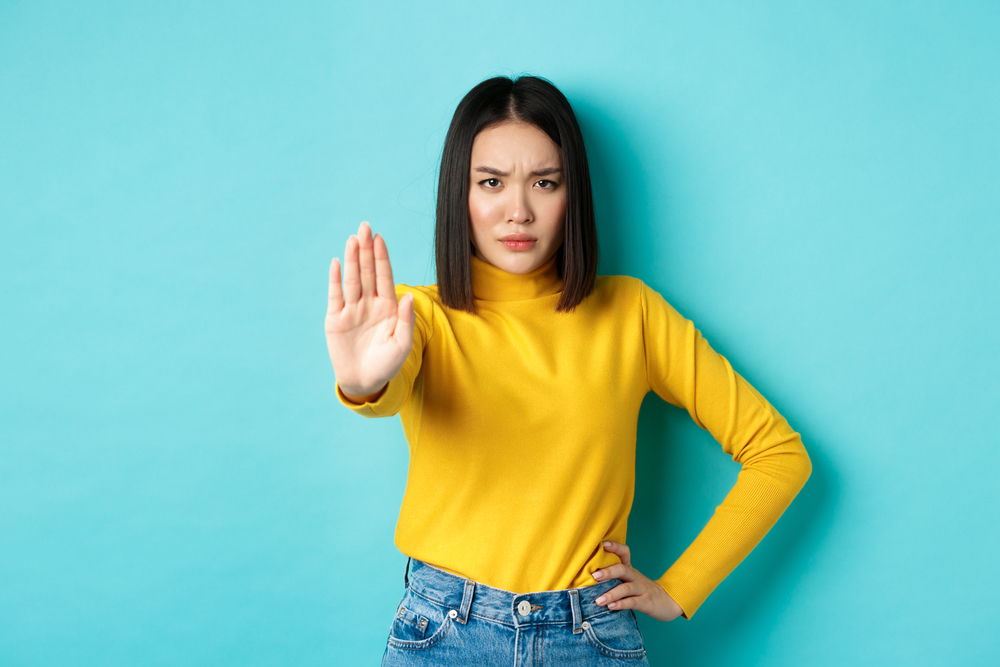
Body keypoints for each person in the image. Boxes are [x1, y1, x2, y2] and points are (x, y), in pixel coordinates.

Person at [326, 75, 812, 665]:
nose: (518, 210)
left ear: (570, 194)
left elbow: (779, 454)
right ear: (461, 194)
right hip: (445, 631)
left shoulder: (631, 313)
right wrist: (361, 381)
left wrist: (681, 588)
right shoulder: (419, 318)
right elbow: (383, 386)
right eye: (491, 182)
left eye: (544, 182)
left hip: (587, 636)